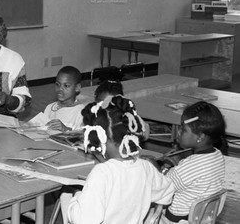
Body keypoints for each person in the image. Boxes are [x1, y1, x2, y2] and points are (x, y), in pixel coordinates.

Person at [64, 95, 174, 224]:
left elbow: (85, 220)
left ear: (98, 138)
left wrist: (76, 197)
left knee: (65, 196)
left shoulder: (102, 172)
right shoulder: (145, 167)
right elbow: (167, 193)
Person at [161, 101, 226, 224]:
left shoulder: (190, 166)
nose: (178, 132)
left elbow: (162, 186)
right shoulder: (218, 155)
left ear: (200, 137)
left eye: (183, 129)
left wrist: (153, 167)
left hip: (175, 221)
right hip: (202, 219)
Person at [44, 66, 85, 132]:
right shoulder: (49, 108)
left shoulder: (82, 112)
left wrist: (65, 129)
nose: (60, 89)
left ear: (77, 87)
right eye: (58, 84)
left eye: (66, 86)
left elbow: (81, 137)